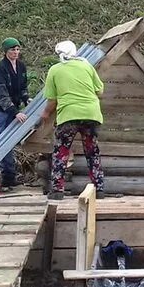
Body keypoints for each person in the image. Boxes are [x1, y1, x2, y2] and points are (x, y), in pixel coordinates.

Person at [40, 40, 106, 200]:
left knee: (61, 152)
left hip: (68, 116)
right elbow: (100, 91)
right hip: (91, 114)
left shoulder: (55, 70)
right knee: (92, 152)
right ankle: (99, 189)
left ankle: (57, 191)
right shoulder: (86, 66)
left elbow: (52, 100)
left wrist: (45, 114)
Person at [0, 37, 29, 191]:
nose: (16, 53)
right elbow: (1, 93)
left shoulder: (21, 67)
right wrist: (15, 112)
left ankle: (9, 177)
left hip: (12, 108)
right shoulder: (0, 68)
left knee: (9, 142)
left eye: (17, 50)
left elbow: (23, 87)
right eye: (12, 50)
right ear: (6, 52)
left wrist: (26, 100)